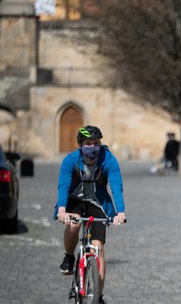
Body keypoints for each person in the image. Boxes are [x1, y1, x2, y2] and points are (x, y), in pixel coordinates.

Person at [54, 125, 126, 304]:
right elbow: (63, 185)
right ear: (80, 145)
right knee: (74, 222)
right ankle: (69, 257)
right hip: (75, 201)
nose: (92, 147)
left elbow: (116, 186)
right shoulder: (70, 160)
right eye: (88, 143)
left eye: (96, 143)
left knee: (99, 249)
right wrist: (62, 209)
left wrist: (121, 212)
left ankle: (98, 296)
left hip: (98, 203)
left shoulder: (108, 159)